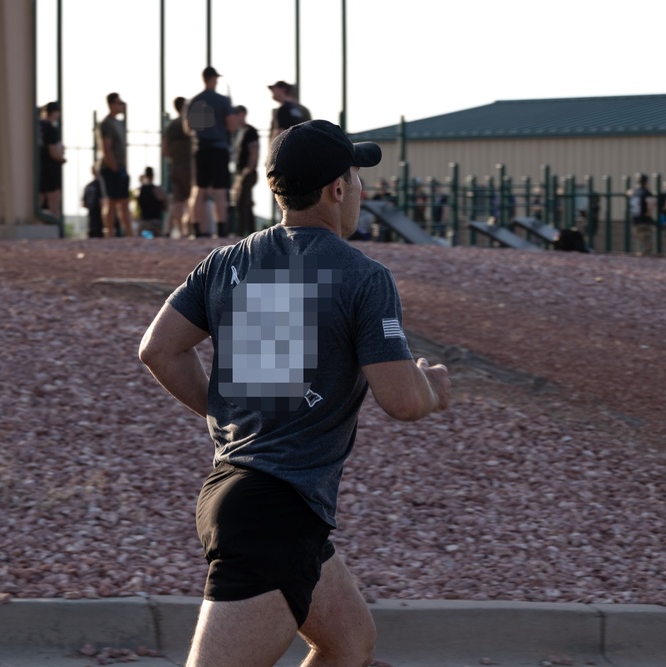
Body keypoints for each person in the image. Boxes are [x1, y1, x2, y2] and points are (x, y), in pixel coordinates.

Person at [138, 119, 451, 667]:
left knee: (348, 645)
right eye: (357, 179)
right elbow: (403, 400)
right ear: (336, 189)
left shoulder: (230, 262)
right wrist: (435, 388)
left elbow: (159, 349)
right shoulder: (362, 277)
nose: (361, 191)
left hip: (253, 499)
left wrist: (227, 413)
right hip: (273, 515)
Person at [184, 67, 236, 238]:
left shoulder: (195, 100)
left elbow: (189, 128)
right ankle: (221, 229)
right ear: (213, 79)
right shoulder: (222, 100)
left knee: (199, 190)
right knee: (220, 190)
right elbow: (231, 125)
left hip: (201, 148)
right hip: (219, 148)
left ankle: (197, 229)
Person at [98, 92, 134, 237]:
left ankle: (130, 234)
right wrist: (114, 167)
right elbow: (106, 147)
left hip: (120, 167)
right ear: (111, 104)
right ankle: (109, 234)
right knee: (111, 202)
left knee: (124, 201)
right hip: (110, 167)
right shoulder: (106, 124)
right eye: (119, 103)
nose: (121, 105)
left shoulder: (118, 123)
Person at [163, 96, 193, 239]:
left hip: (174, 166)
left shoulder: (170, 126)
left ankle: (179, 230)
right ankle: (188, 230)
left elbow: (164, 150)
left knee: (177, 201)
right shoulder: (188, 123)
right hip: (188, 166)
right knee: (191, 199)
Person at [230, 105, 259, 238]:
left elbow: (254, 151)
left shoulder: (250, 131)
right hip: (242, 172)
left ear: (242, 114)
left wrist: (248, 170)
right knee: (245, 203)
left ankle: (242, 233)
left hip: (247, 173)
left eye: (236, 114)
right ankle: (250, 232)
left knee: (243, 203)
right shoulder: (239, 132)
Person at [39, 101, 67, 222]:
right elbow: (52, 150)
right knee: (53, 197)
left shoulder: (38, 126)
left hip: (40, 167)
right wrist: (61, 158)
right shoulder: (50, 127)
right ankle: (54, 222)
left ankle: (37, 222)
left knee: (39, 196)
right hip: (50, 167)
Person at [628, 174, 656, 257]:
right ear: (646, 182)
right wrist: (649, 213)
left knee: (638, 244)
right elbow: (650, 204)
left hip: (635, 220)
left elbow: (629, 192)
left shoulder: (635, 192)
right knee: (647, 245)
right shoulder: (646, 192)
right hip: (644, 221)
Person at [136, 166, 167, 237]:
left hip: (143, 223)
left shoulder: (139, 191)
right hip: (155, 223)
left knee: (145, 238)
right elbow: (164, 206)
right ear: (153, 176)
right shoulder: (157, 190)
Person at [82, 165, 105, 239]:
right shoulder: (89, 185)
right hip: (93, 211)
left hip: (99, 212)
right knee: (93, 230)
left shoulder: (100, 184)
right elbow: (84, 201)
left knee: (98, 230)